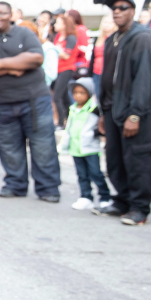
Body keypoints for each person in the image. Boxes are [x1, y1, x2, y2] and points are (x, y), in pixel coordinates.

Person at [0, 1, 61, 202]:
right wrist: (13, 68)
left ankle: (48, 188)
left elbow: (36, 58)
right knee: (9, 147)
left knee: (43, 144)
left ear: (11, 15)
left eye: (2, 13)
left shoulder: (25, 34)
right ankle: (15, 184)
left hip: (33, 100)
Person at [93, 0, 151, 225]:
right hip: (113, 110)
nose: (117, 11)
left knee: (137, 160)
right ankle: (122, 201)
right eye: (113, 8)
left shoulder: (141, 37)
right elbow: (106, 78)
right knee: (115, 159)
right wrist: (102, 113)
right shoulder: (114, 38)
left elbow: (145, 80)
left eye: (122, 7)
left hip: (133, 112)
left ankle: (139, 208)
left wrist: (135, 114)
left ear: (132, 10)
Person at [59, 77, 111, 210]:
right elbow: (69, 128)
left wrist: (95, 134)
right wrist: (64, 145)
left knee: (96, 173)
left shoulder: (94, 109)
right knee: (81, 175)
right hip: (75, 148)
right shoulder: (72, 108)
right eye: (75, 92)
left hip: (90, 148)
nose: (78, 96)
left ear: (89, 93)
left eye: (82, 93)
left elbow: (100, 126)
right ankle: (86, 196)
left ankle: (105, 197)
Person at [52, 13, 78, 128]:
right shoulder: (58, 37)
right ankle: (69, 120)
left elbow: (66, 55)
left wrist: (56, 49)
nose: (55, 25)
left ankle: (61, 122)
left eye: (58, 23)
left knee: (57, 96)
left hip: (67, 69)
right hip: (57, 69)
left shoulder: (71, 38)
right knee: (64, 96)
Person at [92, 14, 116, 95]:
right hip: (96, 71)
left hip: (109, 73)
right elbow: (93, 57)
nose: (107, 25)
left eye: (110, 23)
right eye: (105, 22)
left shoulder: (116, 40)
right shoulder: (98, 39)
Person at [66, 9, 89, 74]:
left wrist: (70, 50)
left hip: (79, 62)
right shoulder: (73, 30)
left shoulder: (80, 29)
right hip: (72, 62)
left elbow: (84, 47)